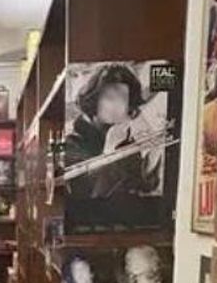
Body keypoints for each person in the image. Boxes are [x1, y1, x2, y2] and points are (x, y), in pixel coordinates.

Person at [65, 64, 164, 200]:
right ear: (94, 100)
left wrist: (153, 155)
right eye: (109, 98)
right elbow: (89, 195)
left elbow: (142, 188)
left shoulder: (125, 141)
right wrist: (110, 151)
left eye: (123, 98)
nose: (116, 105)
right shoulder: (71, 144)